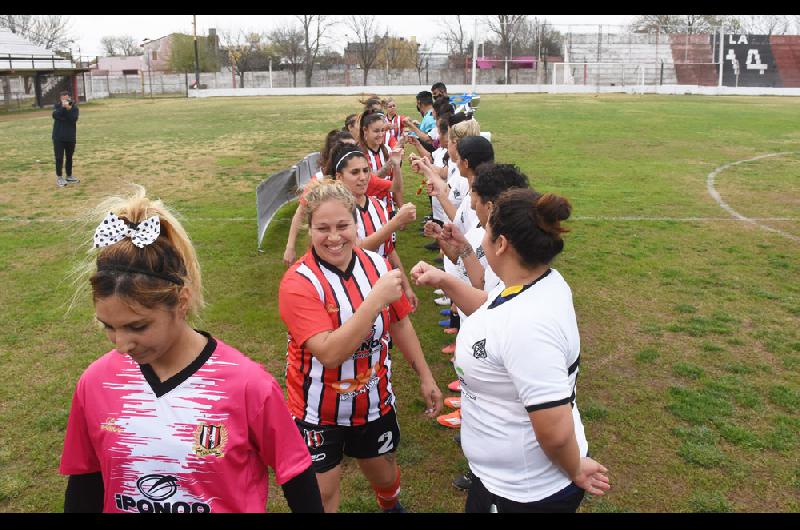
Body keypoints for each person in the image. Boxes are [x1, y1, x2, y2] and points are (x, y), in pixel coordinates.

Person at [60, 185, 323, 513]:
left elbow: (297, 477)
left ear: (181, 301)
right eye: (108, 327)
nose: (122, 345)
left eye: (138, 327)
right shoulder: (95, 383)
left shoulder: (248, 386)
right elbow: (85, 483)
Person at [410, 188, 611, 513]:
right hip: (500, 481)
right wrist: (445, 281)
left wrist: (575, 467)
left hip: (525, 493)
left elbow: (556, 431)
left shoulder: (528, 326)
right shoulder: (534, 283)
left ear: (501, 243)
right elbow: (492, 309)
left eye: (486, 230)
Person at [278, 179, 443, 513]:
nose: (334, 237)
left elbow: (399, 323)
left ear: (356, 224)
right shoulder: (298, 282)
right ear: (310, 229)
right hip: (316, 411)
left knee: (385, 476)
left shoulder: (377, 265)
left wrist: (426, 376)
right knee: (321, 494)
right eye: (322, 228)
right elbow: (330, 353)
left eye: (343, 226)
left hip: (372, 401)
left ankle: (391, 505)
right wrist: (374, 300)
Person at [329, 144, 417, 310]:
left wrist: (406, 286)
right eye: (355, 172)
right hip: (356, 289)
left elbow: (389, 251)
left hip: (385, 282)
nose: (363, 177)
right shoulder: (336, 211)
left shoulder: (378, 205)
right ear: (339, 177)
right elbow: (356, 250)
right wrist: (395, 222)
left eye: (366, 170)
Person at [52, 90, 80, 187]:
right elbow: (55, 115)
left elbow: (73, 119)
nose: (65, 101)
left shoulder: (74, 108)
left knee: (69, 157)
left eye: (67, 99)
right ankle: (59, 177)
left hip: (70, 137)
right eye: (63, 99)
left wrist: (68, 109)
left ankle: (69, 175)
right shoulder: (57, 107)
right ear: (60, 99)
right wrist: (63, 108)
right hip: (58, 137)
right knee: (59, 157)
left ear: (70, 98)